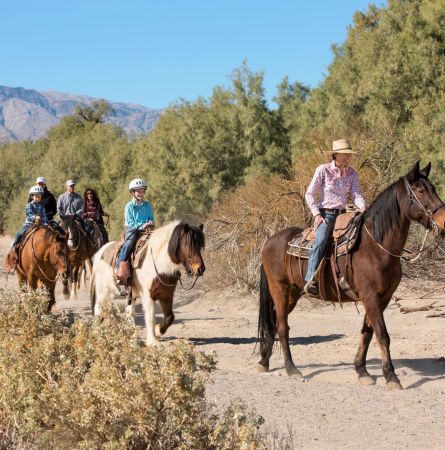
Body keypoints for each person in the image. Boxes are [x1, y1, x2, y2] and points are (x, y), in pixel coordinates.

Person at [304, 139, 366, 296]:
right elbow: (310, 193)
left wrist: (363, 207)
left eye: (349, 155)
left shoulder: (352, 173)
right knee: (321, 240)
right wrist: (317, 214)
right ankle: (311, 277)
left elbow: (356, 193)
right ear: (336, 154)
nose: (348, 157)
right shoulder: (323, 170)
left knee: (360, 237)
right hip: (327, 214)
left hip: (345, 215)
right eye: (345, 154)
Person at [116, 178, 154, 284]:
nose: (141, 193)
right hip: (133, 230)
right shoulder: (129, 206)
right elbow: (130, 222)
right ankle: (119, 269)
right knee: (128, 244)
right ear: (133, 192)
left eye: (142, 191)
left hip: (147, 230)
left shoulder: (148, 205)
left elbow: (151, 217)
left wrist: (150, 222)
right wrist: (143, 225)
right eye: (138, 191)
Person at [11, 185, 49, 252]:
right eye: (36, 196)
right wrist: (35, 217)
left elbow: (45, 215)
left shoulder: (42, 206)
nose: (37, 198)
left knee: (50, 233)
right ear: (32, 196)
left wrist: (45, 224)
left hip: (41, 224)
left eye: (39, 196)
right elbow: (29, 214)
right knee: (20, 233)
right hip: (29, 224)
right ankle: (14, 246)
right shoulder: (29, 205)